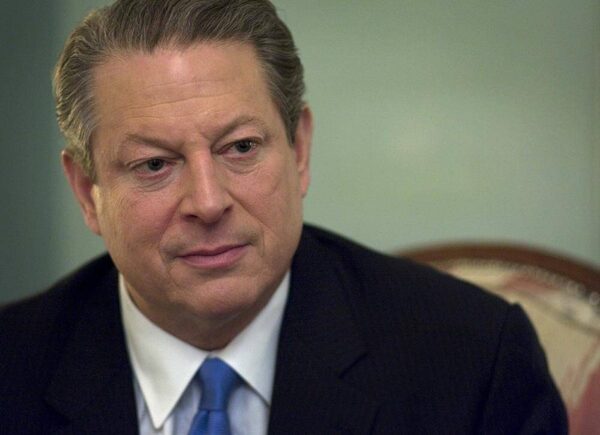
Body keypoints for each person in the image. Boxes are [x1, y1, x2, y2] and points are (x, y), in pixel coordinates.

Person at [0, 0, 567, 433]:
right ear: (87, 191)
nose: (208, 202)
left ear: (299, 151)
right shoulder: (12, 368)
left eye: (241, 147)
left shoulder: (473, 361)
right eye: (154, 164)